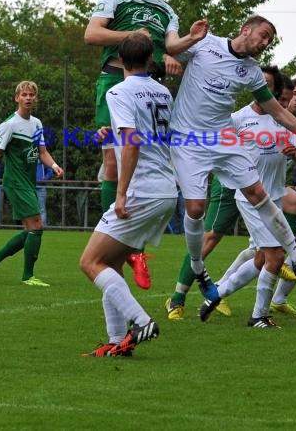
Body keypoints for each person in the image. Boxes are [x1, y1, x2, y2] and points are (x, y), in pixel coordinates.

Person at [165, 15, 296, 311]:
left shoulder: (252, 71)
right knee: (195, 210)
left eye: (270, 40)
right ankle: (196, 268)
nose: (265, 42)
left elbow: (279, 113)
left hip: (222, 139)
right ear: (245, 29)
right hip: (187, 139)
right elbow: (168, 50)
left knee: (260, 194)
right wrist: (186, 41)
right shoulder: (205, 43)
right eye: (263, 35)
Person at [84, 0, 204, 290]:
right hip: (114, 78)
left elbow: (168, 46)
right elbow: (92, 34)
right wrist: (134, 38)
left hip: (147, 84)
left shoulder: (168, 10)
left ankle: (132, 247)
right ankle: (122, 242)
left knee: (146, 156)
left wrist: (188, 41)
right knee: (112, 159)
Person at [165, 67, 296, 320]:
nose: (286, 103)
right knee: (210, 238)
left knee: (280, 242)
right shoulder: (239, 118)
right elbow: (214, 144)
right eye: (282, 98)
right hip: (231, 188)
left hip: (264, 194)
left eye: (287, 99)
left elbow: (295, 152)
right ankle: (177, 299)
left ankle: (231, 290)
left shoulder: (284, 123)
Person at [80, 32, 178, 357]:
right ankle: (116, 340)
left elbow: (133, 141)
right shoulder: (163, 91)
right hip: (166, 188)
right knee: (111, 262)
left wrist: (120, 195)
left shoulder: (118, 91)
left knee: (91, 261)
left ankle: (141, 321)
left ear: (120, 60)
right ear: (150, 59)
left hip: (142, 189)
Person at [0, 81, 64, 287]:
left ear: (36, 99)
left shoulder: (36, 123)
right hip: (15, 182)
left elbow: (42, 151)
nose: (28, 98)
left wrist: (54, 165)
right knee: (37, 225)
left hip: (28, 182)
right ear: (17, 98)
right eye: (24, 94)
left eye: (31, 95)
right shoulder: (9, 124)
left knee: (30, 229)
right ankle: (28, 276)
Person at [36, 160, 54, 227]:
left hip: (41, 187)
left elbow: (50, 172)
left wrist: (43, 179)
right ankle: (31, 227)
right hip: (30, 187)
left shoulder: (44, 160)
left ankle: (43, 227)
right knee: (30, 209)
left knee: (42, 209)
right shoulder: (29, 158)